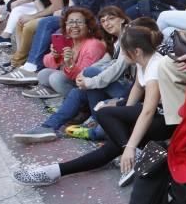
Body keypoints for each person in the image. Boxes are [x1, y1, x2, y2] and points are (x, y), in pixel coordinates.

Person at [12, 20, 174, 188]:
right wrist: (123, 116)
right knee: (109, 148)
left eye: (125, 52)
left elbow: (148, 111)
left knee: (106, 116)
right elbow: (137, 88)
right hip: (156, 115)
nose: (122, 57)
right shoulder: (145, 61)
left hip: (165, 122)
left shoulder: (155, 67)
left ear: (137, 51)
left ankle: (135, 154)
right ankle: (53, 171)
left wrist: (130, 146)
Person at [13, 7, 132, 143]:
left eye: (111, 19)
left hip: (126, 91)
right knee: (75, 89)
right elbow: (49, 63)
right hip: (96, 86)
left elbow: (116, 68)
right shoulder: (115, 41)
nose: (107, 23)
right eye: (103, 21)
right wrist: (56, 55)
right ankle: (47, 127)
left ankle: (94, 119)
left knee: (87, 74)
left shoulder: (124, 38)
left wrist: (84, 77)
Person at [25, 7, 107, 100]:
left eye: (79, 22)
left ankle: (78, 102)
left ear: (88, 26)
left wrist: (70, 64)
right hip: (71, 78)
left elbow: (84, 76)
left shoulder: (93, 45)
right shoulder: (69, 40)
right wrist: (55, 56)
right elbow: (47, 63)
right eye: (70, 22)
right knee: (43, 74)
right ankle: (58, 91)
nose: (74, 26)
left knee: (56, 78)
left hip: (86, 86)